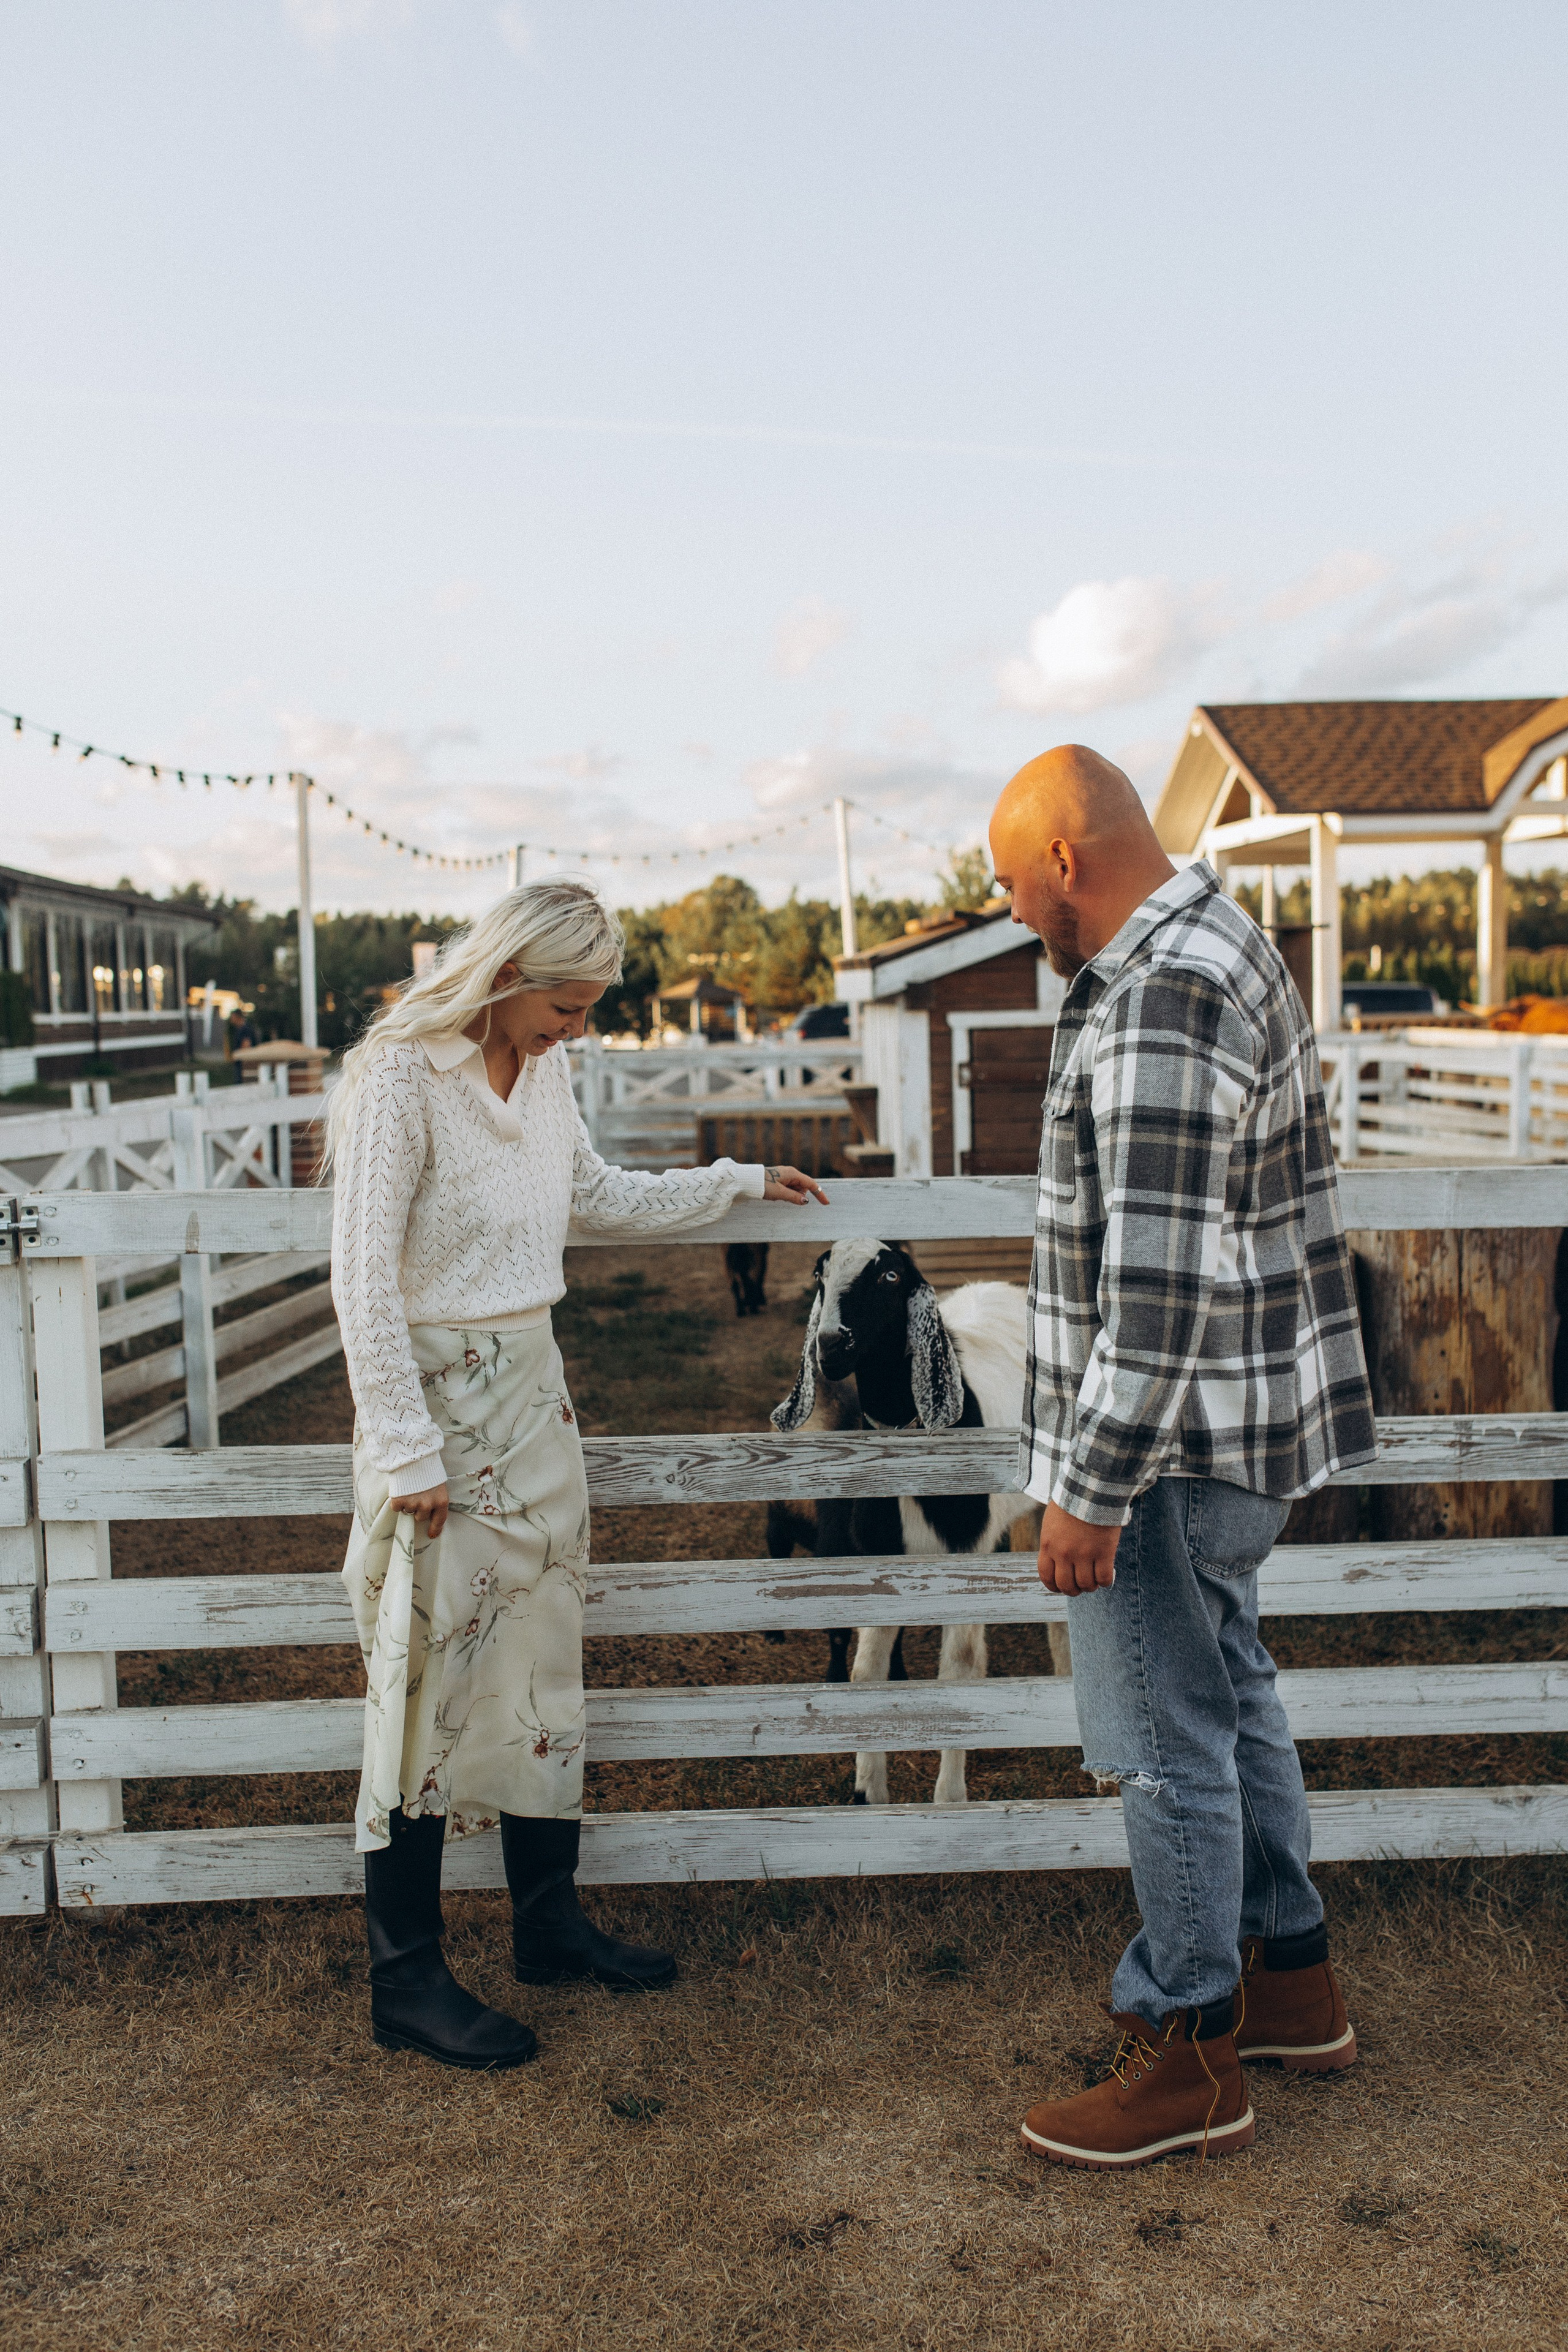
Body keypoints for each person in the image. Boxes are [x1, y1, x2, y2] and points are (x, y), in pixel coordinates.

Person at [325, 879, 826, 2071]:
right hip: (436, 1413)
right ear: (505, 976)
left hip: (532, 1397)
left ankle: (547, 1924)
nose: (578, 1029)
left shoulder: (544, 1075)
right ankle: (406, 1978)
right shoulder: (401, 1074)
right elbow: (360, 1272)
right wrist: (404, 1448)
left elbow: (590, 1201)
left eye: (588, 1008)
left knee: (543, 1661)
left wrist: (736, 1183)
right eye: (565, 1004)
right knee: (419, 1683)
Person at [988, 745, 1376, 2171]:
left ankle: (1191, 2044)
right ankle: (1289, 1983)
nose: (1019, 915)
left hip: (1164, 1445)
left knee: (1162, 1742)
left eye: (1014, 886)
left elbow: (1152, 1288)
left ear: (1065, 861)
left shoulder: (1159, 990)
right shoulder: (1224, 941)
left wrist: (1085, 1488)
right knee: (1230, 1698)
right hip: (1230, 1430)